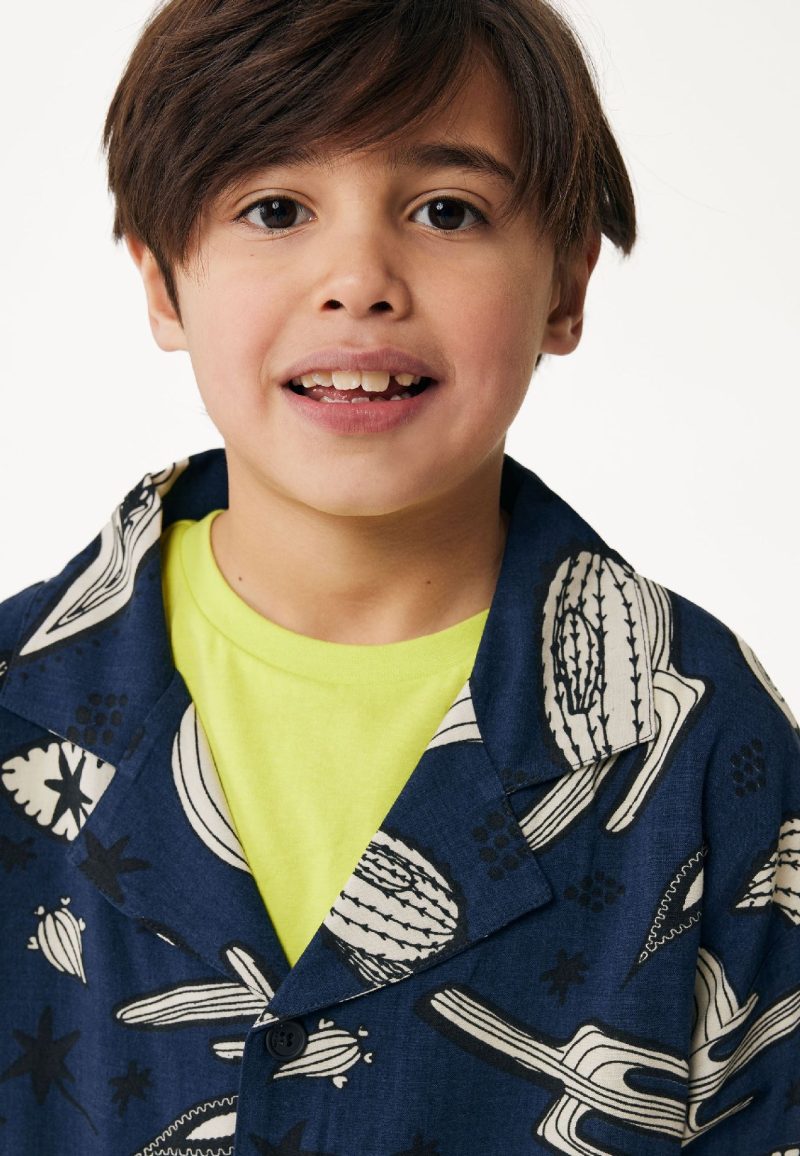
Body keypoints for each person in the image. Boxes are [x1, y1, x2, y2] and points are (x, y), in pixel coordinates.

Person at [0, 0, 797, 1151]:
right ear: (163, 282)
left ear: (565, 285)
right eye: (275, 209)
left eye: (445, 211)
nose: (358, 280)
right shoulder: (17, 701)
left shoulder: (702, 739)